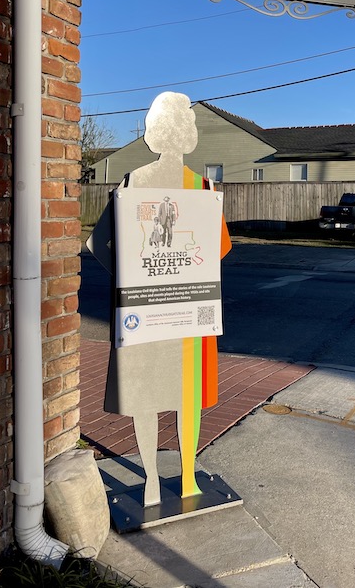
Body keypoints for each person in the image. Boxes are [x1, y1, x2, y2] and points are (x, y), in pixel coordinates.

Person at [87, 92, 231, 507]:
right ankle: (187, 479)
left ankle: (151, 482)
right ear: (188, 136)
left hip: (143, 311)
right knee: (187, 396)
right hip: (189, 311)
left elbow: (97, 244)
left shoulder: (134, 182)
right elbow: (219, 249)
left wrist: (131, 276)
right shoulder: (203, 188)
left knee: (146, 394)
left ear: (152, 133)